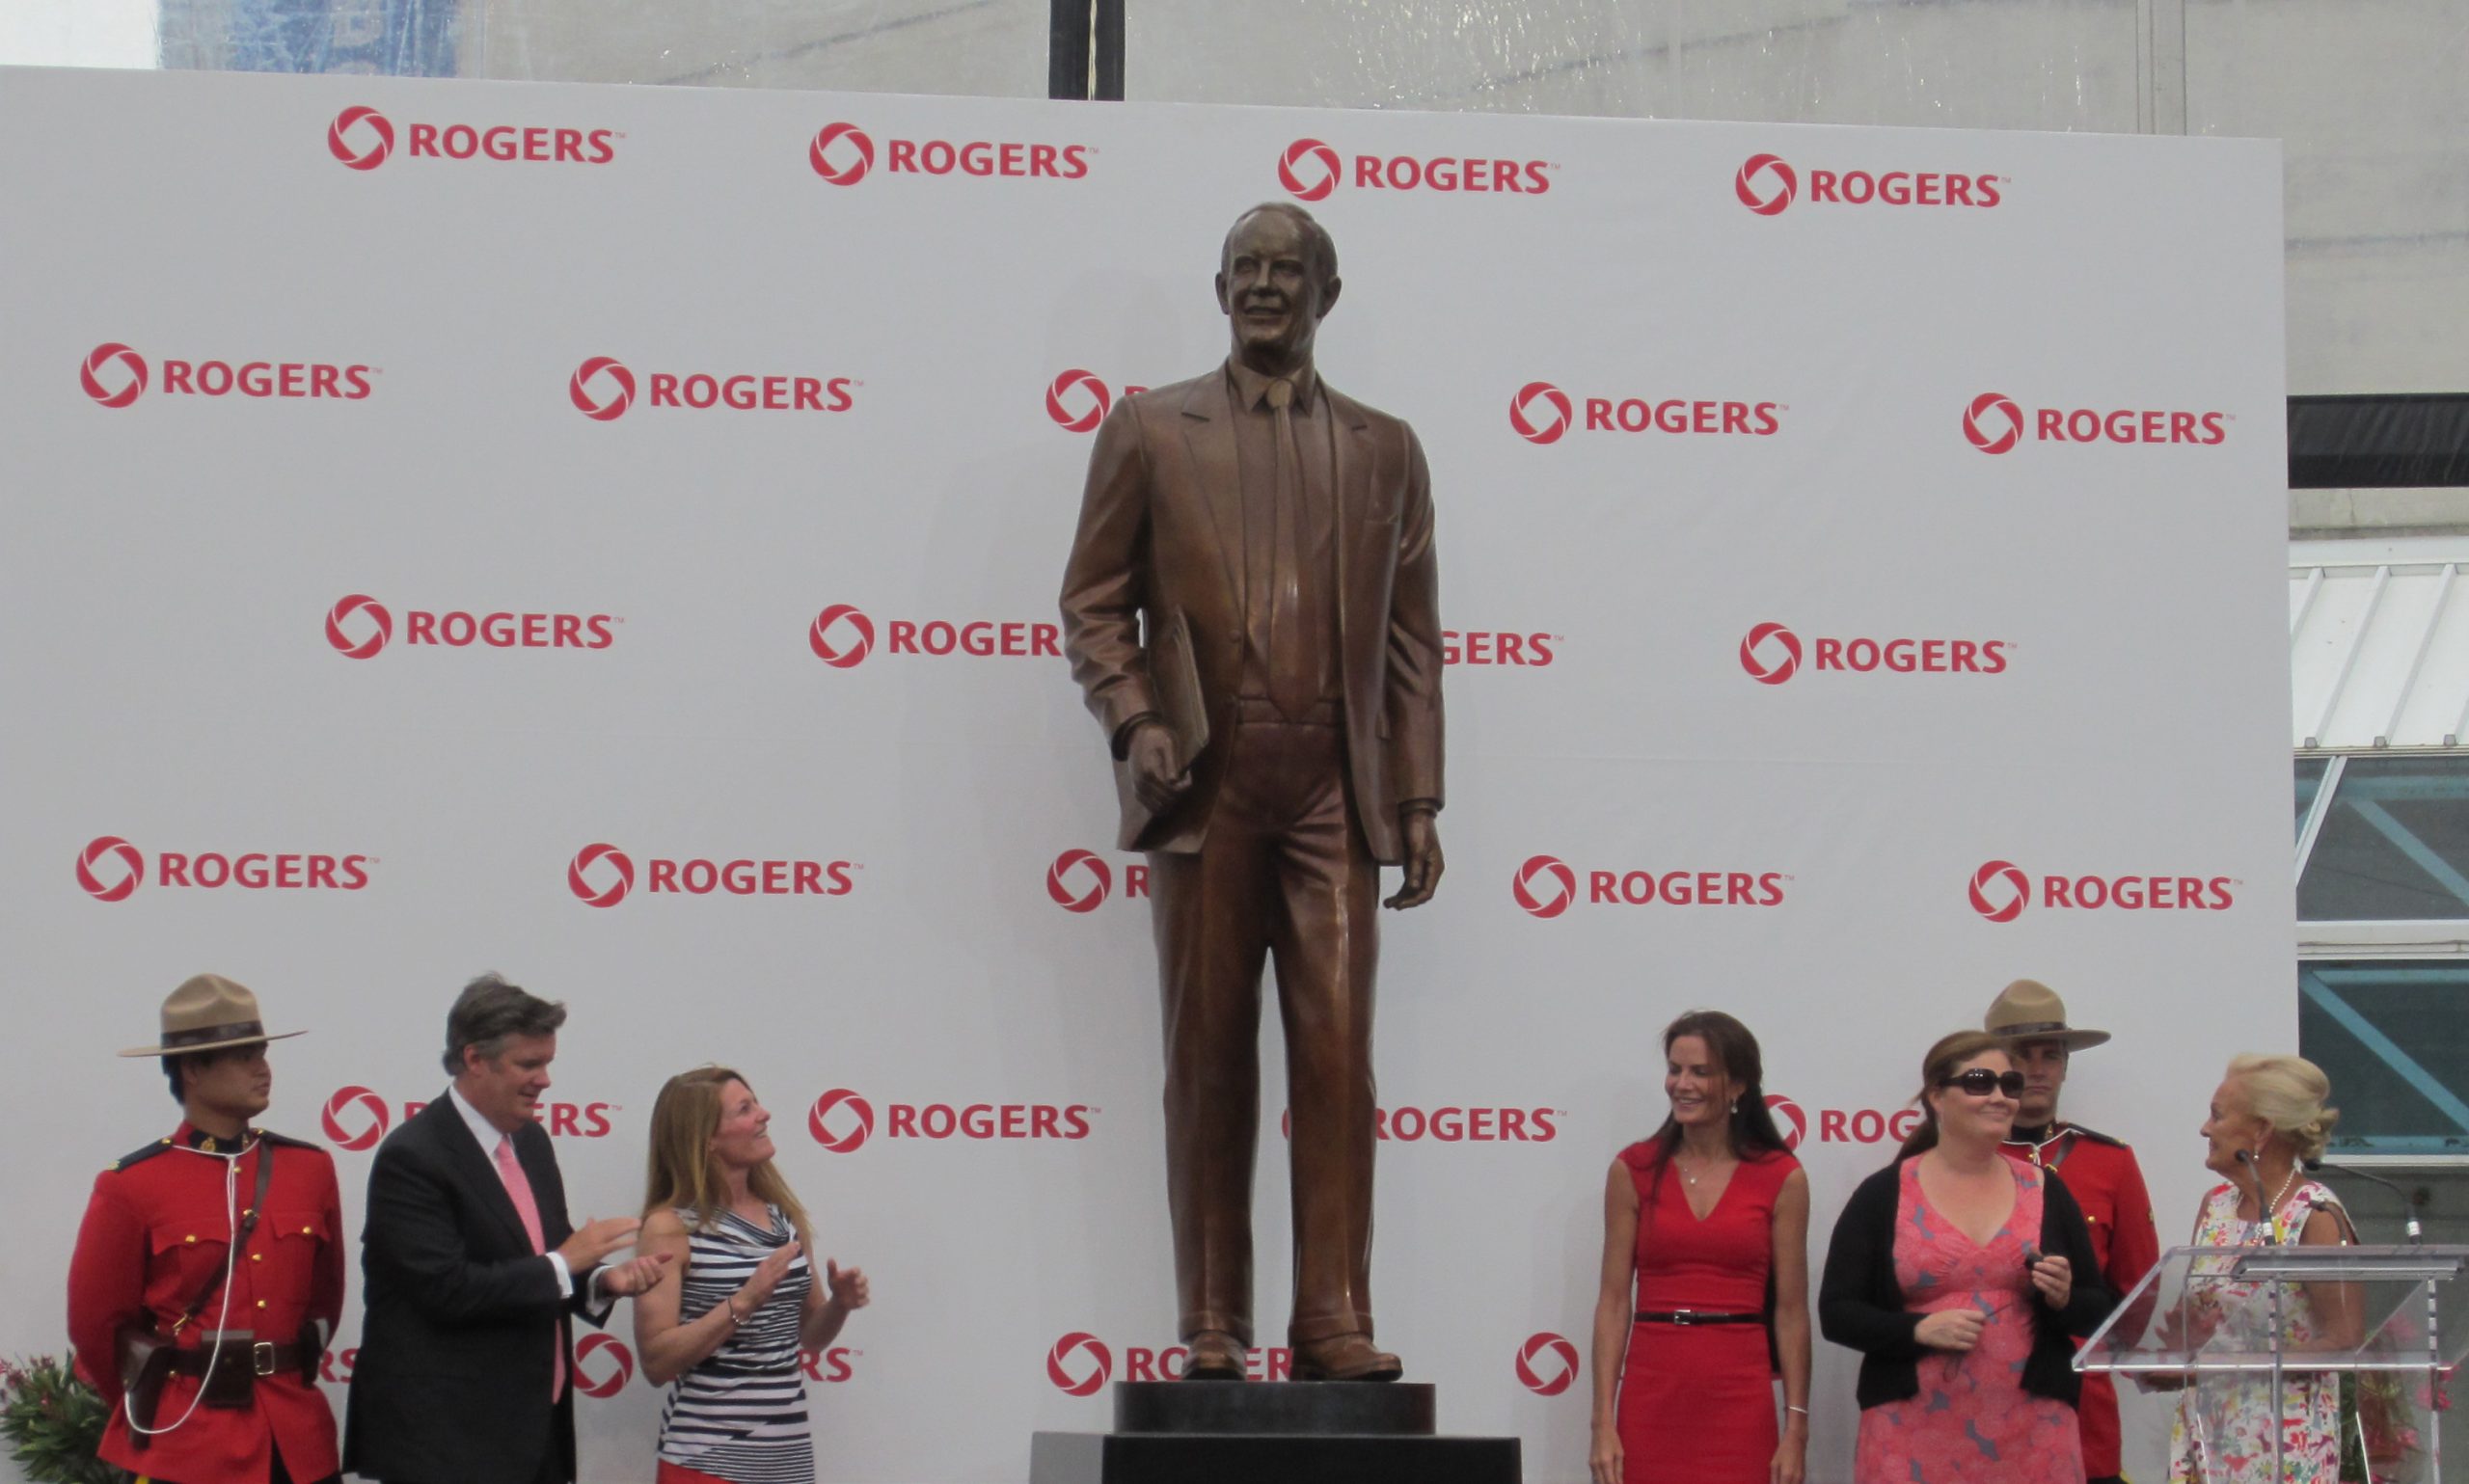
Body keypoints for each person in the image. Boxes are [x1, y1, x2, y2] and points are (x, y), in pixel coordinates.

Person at [1057, 201, 1445, 1381]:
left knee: (1337, 1058)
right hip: (1210, 791)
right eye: (1245, 270)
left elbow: (1411, 646)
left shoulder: (1386, 447)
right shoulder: (1148, 431)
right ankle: (1212, 1318)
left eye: (1288, 271)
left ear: (1327, 295)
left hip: (1337, 789)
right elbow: (1092, 604)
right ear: (1218, 289)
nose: (1265, 288)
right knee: (1209, 1056)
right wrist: (1136, 720)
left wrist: (1419, 803)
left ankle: (1331, 1314)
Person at [343, 974, 669, 1484]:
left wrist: (603, 1281)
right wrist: (567, 1263)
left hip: (533, 1431)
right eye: (529, 1064)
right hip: (447, 1443)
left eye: (547, 1063)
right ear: (475, 1059)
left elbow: (547, 1260)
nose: (545, 1080)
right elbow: (446, 1290)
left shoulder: (532, 1143)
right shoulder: (413, 1156)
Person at [67, 973, 345, 1484]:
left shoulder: (309, 1170)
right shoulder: (132, 1185)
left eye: (262, 1052)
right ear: (192, 1069)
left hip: (296, 1441)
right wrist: (160, 1397)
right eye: (244, 1056)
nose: (264, 1069)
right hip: (187, 1442)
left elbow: (325, 1301)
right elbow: (97, 1326)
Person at [1820, 1032, 2113, 1484]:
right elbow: (1837, 1313)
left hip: (2033, 1433)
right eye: (1980, 1082)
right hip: (1909, 1431)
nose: (1999, 1097)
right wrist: (1915, 1329)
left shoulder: (2047, 1189)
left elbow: (2097, 1309)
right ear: (1937, 1095)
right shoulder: (1885, 1193)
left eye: (2009, 1085)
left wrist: (2064, 1298)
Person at [1587, 1012, 1809, 1484]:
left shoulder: (1781, 1176)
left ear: (1738, 1085)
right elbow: (1611, 1302)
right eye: (1675, 1069)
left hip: (1740, 1396)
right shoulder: (1633, 1169)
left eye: (1700, 1072)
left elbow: (1791, 1313)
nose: (1681, 1084)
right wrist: (1602, 1423)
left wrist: (1796, 1432)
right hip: (1651, 1389)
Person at [632, 1066, 872, 1484]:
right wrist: (744, 1301)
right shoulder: (670, 1227)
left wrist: (839, 1305)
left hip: (786, 1456)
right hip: (706, 1459)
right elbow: (657, 1362)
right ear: (707, 1139)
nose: (765, 1114)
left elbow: (811, 1337)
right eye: (745, 1109)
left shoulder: (784, 1217)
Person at [1985, 979, 2161, 1484]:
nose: (2037, 1068)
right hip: (1979, 1400)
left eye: (2051, 1055)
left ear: (2066, 1065)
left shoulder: (2111, 1162)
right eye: (2022, 1054)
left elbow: (2136, 1291)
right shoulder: (1961, 1162)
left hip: (2082, 1402)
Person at [2161, 1055, 2355, 1484]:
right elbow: (2201, 1325)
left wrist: (2235, 1362)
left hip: (2286, 1441)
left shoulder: (2316, 1214)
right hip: (2207, 1433)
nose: (2204, 1129)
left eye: (2217, 1116)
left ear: (2262, 1131)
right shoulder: (2215, 1206)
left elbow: (2343, 1339)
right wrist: (2178, 1353)